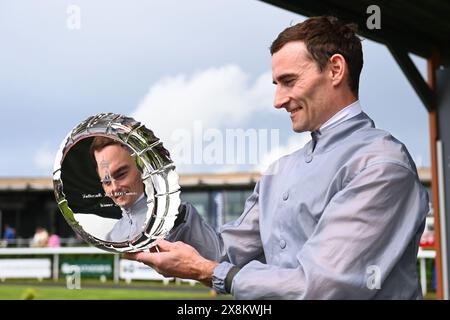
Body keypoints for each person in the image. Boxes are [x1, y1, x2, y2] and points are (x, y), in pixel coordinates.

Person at [125, 16, 429, 299]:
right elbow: (225, 254)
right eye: (277, 85)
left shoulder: (381, 165)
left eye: (289, 81)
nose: (278, 100)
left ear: (336, 69)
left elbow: (322, 287)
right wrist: (164, 208)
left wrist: (208, 272)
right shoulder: (280, 170)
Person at [90, 136, 148, 242]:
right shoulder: (112, 237)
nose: (114, 188)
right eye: (106, 182)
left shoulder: (177, 218)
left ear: (142, 168)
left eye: (121, 174)